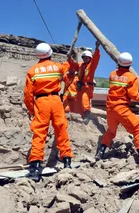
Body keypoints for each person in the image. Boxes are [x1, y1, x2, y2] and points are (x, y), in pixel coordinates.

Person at [24, 43, 74, 181]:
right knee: (61, 129)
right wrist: (67, 60)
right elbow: (67, 68)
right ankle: (67, 161)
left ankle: (35, 166)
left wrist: (31, 109)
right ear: (50, 53)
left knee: (39, 132)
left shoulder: (32, 71)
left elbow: (28, 94)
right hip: (56, 101)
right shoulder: (57, 66)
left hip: (41, 102)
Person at [96, 52, 139, 163]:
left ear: (118, 62)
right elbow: (133, 94)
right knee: (138, 128)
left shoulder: (112, 74)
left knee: (111, 131)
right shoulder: (131, 77)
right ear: (130, 65)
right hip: (121, 108)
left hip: (110, 108)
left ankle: (101, 152)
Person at [69, 41, 101, 124]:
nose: (86, 59)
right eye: (84, 57)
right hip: (80, 87)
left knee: (85, 99)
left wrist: (97, 48)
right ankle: (80, 116)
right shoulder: (80, 65)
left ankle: (87, 116)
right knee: (78, 102)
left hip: (87, 88)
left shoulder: (92, 66)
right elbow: (73, 65)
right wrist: (69, 58)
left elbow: (96, 59)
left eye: (87, 58)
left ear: (90, 58)